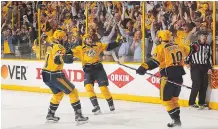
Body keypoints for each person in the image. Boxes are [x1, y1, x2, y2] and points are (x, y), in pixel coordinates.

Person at [136, 30, 199, 127]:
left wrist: (143, 67)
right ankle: (177, 121)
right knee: (174, 99)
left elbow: (154, 62)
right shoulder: (179, 46)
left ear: (161, 38)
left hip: (168, 77)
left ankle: (176, 120)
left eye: (158, 37)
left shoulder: (160, 48)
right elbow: (192, 49)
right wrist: (195, 47)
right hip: (179, 76)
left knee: (166, 100)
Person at [71, 34, 126, 115]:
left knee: (103, 88)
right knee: (88, 88)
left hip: (98, 68)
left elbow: (108, 47)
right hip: (88, 70)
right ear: (84, 41)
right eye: (87, 39)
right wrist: (69, 48)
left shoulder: (98, 45)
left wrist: (118, 42)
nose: (89, 40)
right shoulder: (80, 49)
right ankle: (96, 107)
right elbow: (70, 53)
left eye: (90, 38)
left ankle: (111, 105)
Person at [41, 30, 88, 124]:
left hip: (45, 74)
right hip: (55, 74)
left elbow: (45, 37)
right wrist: (67, 58)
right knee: (73, 92)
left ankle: (50, 114)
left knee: (58, 94)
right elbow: (58, 58)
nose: (66, 39)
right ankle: (78, 115)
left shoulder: (51, 43)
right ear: (60, 38)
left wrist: (45, 36)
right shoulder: (59, 46)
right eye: (65, 37)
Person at [186, 31, 213, 109]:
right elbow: (188, 54)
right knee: (196, 84)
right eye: (202, 36)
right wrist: (187, 62)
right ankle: (191, 103)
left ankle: (201, 103)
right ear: (199, 37)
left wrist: (209, 68)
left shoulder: (207, 46)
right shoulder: (194, 44)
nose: (204, 38)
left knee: (204, 85)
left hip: (204, 67)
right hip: (195, 66)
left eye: (205, 36)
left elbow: (209, 58)